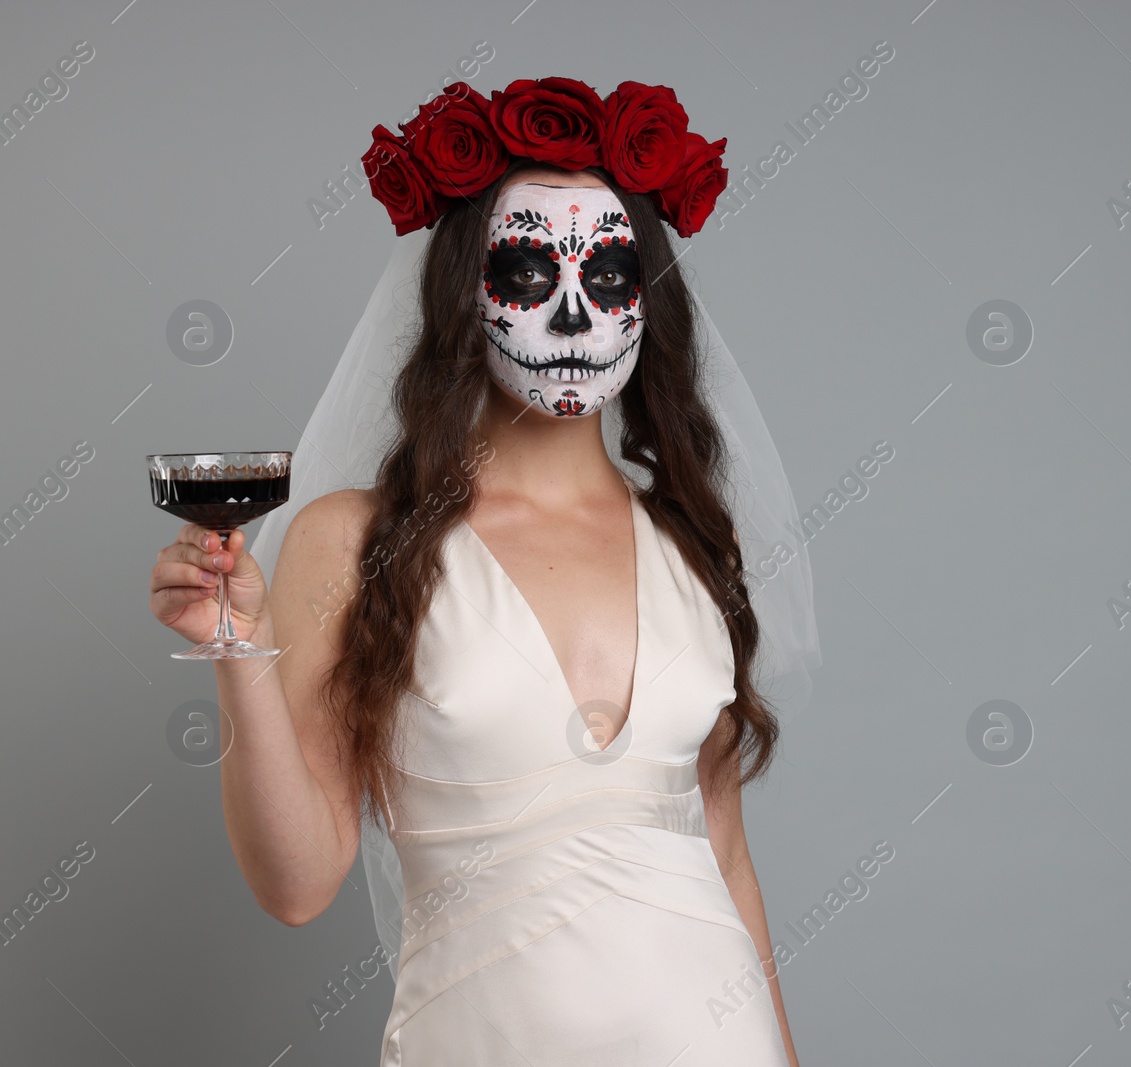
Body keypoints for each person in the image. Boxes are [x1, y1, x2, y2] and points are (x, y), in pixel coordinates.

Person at [148, 77, 814, 1066]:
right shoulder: (355, 540)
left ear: (650, 300)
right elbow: (296, 885)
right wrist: (235, 645)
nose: (578, 318)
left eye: (613, 278)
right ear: (463, 288)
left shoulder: (687, 542)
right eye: (529, 272)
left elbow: (728, 863)